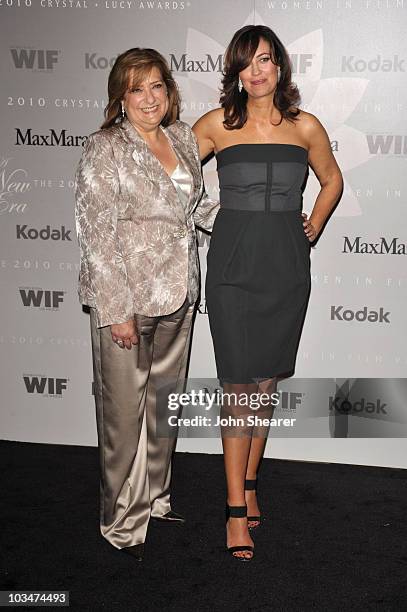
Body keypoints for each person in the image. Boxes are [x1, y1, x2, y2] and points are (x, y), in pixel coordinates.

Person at [193, 25, 343, 561]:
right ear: (234, 73)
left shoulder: (306, 126)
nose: (255, 72)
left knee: (264, 381)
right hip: (232, 263)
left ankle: (251, 481)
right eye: (245, 63)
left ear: (279, 66)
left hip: (285, 263)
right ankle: (235, 510)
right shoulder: (215, 125)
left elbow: (332, 180)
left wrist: (314, 225)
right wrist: (212, 217)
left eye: (264, 60)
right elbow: (173, 179)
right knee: (237, 384)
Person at [75, 47, 218, 562]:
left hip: (180, 293)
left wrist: (252, 225)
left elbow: (197, 206)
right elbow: (96, 235)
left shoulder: (181, 137)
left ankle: (156, 498)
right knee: (122, 417)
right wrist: (116, 311)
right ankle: (120, 521)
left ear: (169, 90)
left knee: (163, 406)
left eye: (157, 85)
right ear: (120, 96)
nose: (149, 98)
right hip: (129, 301)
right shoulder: (104, 147)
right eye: (137, 88)